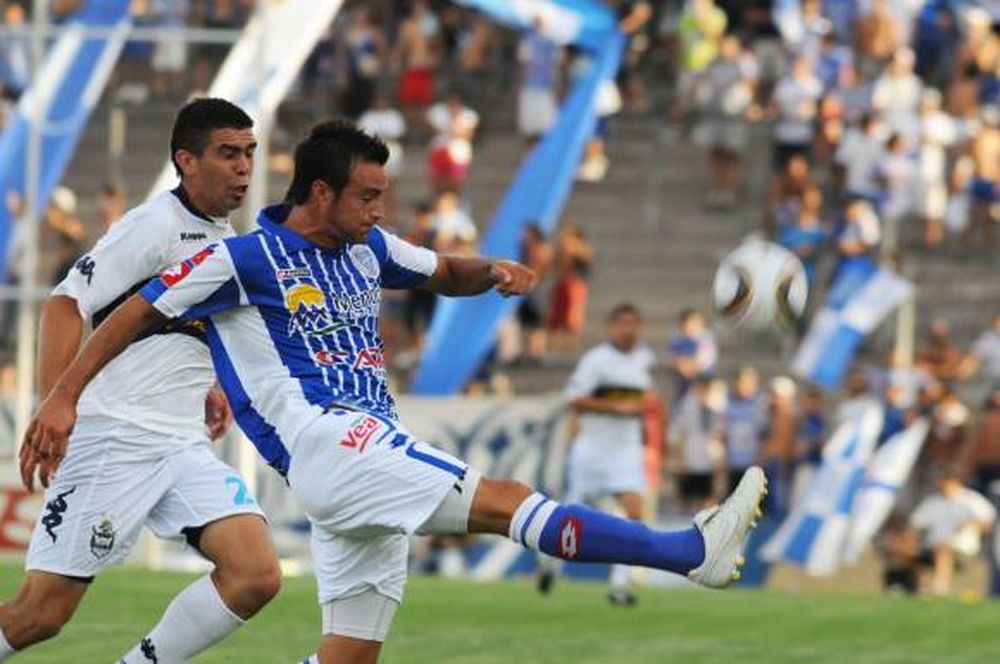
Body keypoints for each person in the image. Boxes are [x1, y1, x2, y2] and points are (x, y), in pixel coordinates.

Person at [22, 120, 767, 664]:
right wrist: (63, 397)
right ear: (322, 192)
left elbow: (440, 270)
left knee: (346, 656)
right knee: (505, 500)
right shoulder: (243, 259)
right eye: (368, 195)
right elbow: (136, 309)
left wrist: (493, 272)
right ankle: (685, 551)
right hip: (335, 444)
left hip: (354, 459)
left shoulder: (368, 248)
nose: (380, 209)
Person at [0, 98, 281, 662]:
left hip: (180, 442)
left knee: (254, 574)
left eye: (249, 153)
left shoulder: (223, 238)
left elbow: (178, 326)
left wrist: (211, 383)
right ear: (187, 160)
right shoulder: (154, 225)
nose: (244, 167)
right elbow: (64, 304)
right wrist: (59, 403)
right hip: (115, 435)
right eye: (228, 153)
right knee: (40, 615)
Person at [538, 303, 658, 606]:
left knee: (633, 514)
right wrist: (615, 408)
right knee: (573, 517)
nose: (627, 329)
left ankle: (619, 586)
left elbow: (646, 402)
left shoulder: (645, 360)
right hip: (592, 450)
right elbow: (573, 399)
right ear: (611, 327)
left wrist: (649, 435)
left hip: (626, 452)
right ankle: (550, 565)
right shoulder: (596, 361)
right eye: (622, 323)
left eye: (633, 324)